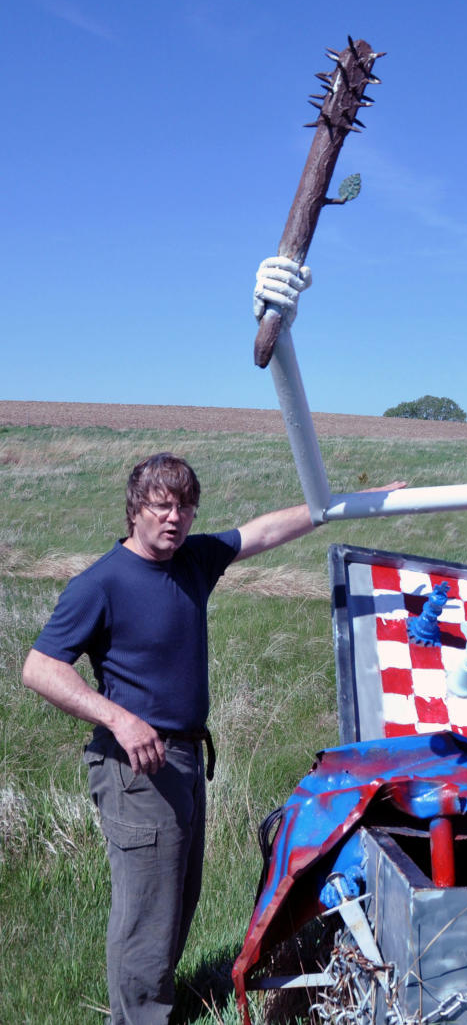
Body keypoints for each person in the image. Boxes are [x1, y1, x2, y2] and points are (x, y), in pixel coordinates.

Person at [21, 261, 393, 1023]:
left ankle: (159, 998)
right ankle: (141, 1015)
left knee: (179, 890)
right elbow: (37, 666)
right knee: (146, 906)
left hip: (186, 755)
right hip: (134, 761)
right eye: (160, 506)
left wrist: (324, 509)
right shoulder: (101, 580)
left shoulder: (193, 560)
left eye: (183, 508)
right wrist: (118, 719)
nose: (173, 519)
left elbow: (257, 533)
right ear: (135, 507)